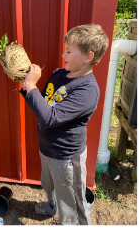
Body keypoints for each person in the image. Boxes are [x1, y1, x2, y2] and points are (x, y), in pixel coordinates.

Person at [20, 25, 105, 225]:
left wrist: (32, 85)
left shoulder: (87, 90)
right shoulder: (59, 74)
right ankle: (52, 206)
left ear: (88, 57)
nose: (62, 54)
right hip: (48, 148)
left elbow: (49, 117)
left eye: (68, 51)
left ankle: (74, 224)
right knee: (48, 184)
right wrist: (26, 87)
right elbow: (43, 104)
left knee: (72, 200)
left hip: (67, 157)